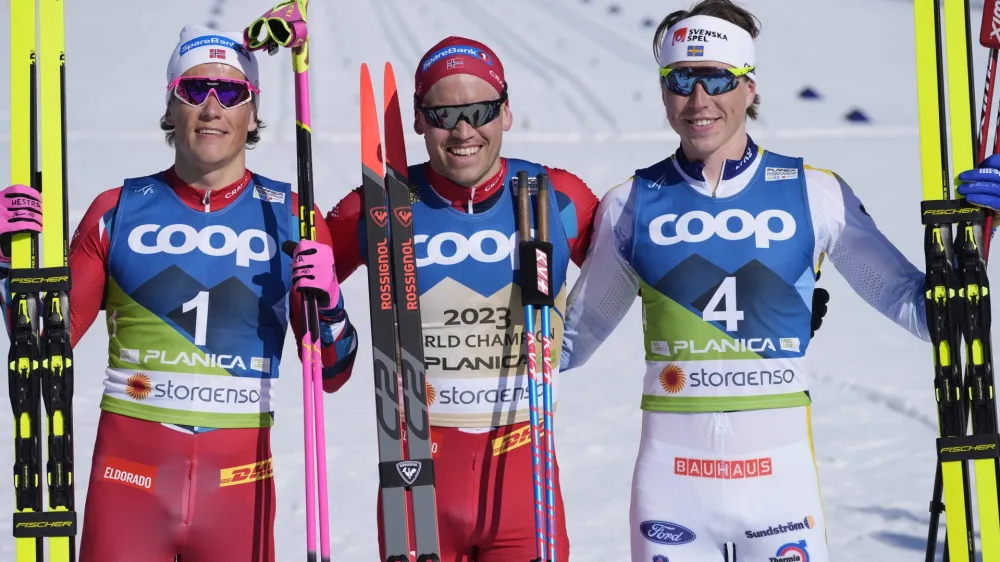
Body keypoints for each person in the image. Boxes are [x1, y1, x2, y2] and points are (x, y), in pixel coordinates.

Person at [558, 1, 932, 561]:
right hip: (671, 493)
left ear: (750, 88)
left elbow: (918, 307)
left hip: (779, 491)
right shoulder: (630, 205)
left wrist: (973, 236)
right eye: (681, 79)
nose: (699, 100)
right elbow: (565, 346)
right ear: (663, 91)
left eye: (717, 79)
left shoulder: (814, 192)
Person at [0, 24, 358, 562]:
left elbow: (333, 373)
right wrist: (13, 262)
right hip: (127, 488)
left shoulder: (291, 217)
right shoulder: (117, 210)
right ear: (171, 107)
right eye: (194, 91)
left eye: (232, 93)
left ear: (254, 114)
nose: (212, 107)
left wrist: (329, 302)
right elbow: (46, 346)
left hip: (239, 495)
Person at [326, 36, 600, 561]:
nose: (463, 130)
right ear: (418, 120)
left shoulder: (557, 198)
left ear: (506, 111)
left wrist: (570, 349)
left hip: (524, 478)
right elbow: (327, 366)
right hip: (416, 477)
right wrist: (325, 307)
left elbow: (630, 280)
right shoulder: (376, 207)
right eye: (443, 113)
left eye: (480, 110)